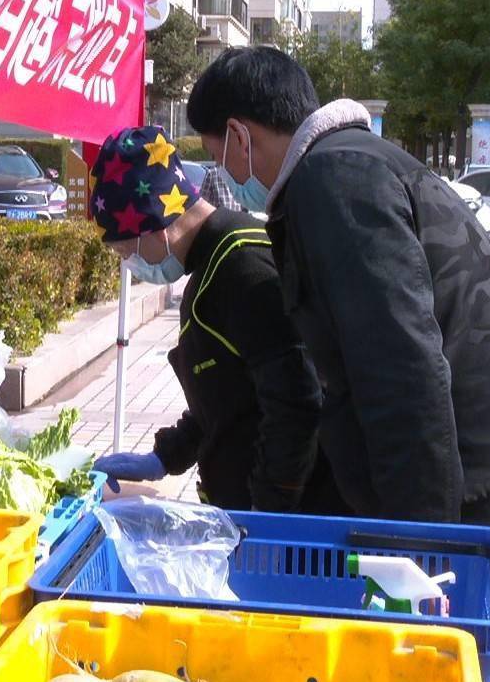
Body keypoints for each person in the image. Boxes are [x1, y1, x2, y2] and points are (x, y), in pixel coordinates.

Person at [184, 46, 490, 660]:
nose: (225, 173)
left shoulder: (332, 183)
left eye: (216, 155)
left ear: (239, 134)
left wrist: (421, 558)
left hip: (479, 532)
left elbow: (402, 374)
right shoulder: (360, 163)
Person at [88, 126, 344, 514]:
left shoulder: (242, 267)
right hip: (243, 510)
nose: (129, 262)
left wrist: (266, 515)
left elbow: (296, 404)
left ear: (155, 224)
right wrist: (166, 456)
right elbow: (229, 397)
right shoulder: (211, 267)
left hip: (287, 522)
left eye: (126, 248)